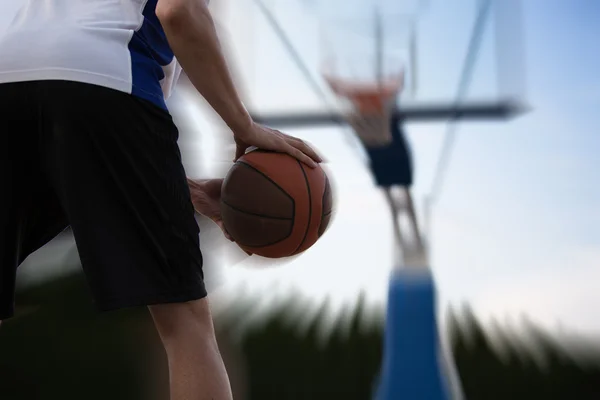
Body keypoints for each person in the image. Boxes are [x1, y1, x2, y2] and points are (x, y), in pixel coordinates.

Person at [0, 1, 321, 399]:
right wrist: (242, 125)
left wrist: (164, 185)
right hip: (111, 73)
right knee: (184, 322)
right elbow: (179, 12)